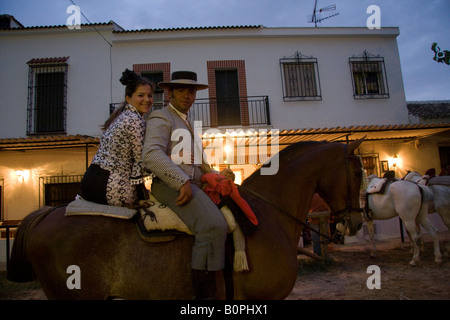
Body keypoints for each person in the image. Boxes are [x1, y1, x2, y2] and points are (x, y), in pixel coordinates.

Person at [142, 71, 228, 299]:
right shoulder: (161, 117)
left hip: (195, 183)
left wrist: (217, 174)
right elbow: (151, 154)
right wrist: (181, 181)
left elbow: (199, 162)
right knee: (213, 226)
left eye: (191, 91)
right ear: (170, 92)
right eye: (181, 90)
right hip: (170, 185)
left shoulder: (188, 122)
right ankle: (203, 298)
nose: (187, 95)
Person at [80, 69, 153, 207]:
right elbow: (143, 160)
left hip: (91, 181)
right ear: (128, 98)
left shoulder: (121, 116)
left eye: (150, 95)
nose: (147, 100)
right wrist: (170, 158)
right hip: (110, 185)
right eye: (141, 95)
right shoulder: (134, 119)